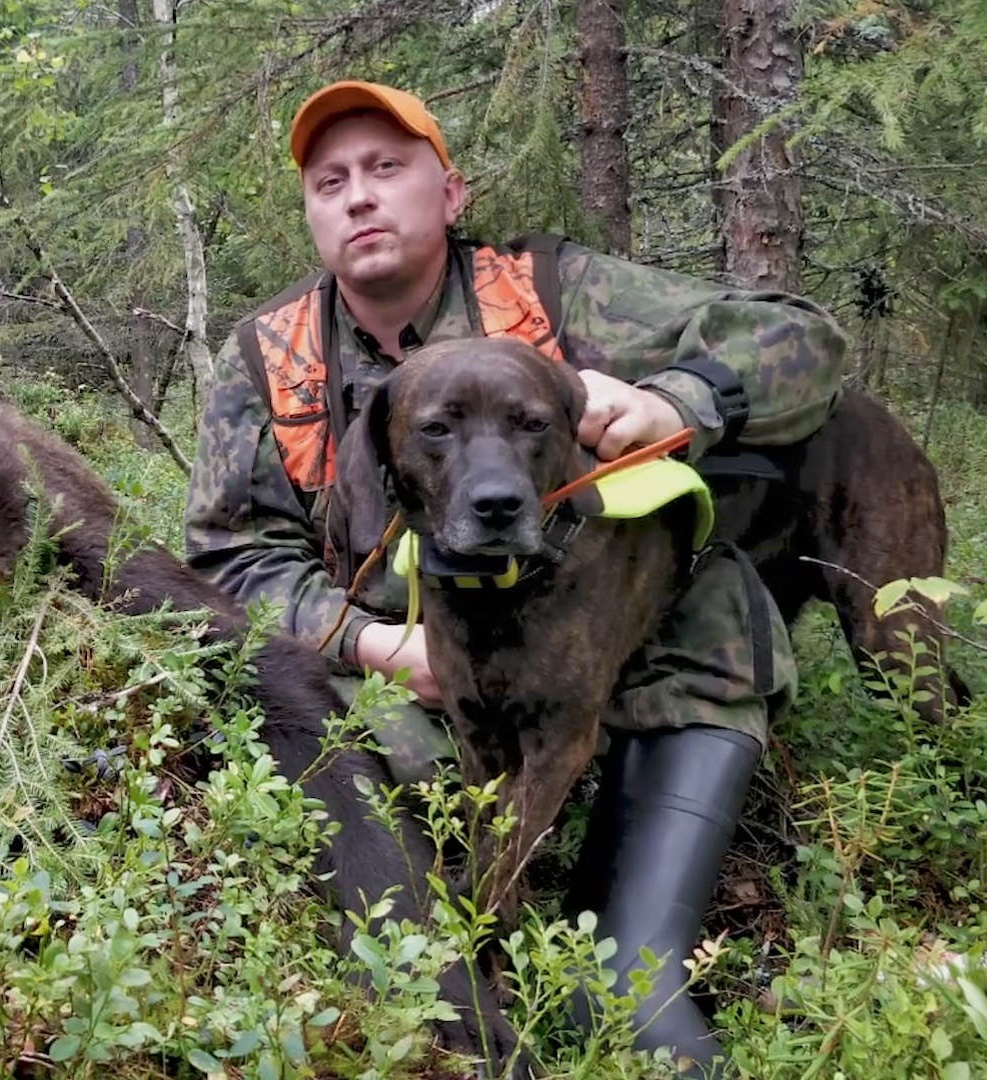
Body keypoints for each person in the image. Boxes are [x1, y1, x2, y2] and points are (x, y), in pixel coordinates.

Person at [182, 80, 851, 1075]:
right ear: (313, 216)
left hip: (664, 650)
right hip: (445, 667)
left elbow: (805, 338)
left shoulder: (556, 291)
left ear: (449, 194)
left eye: (385, 168)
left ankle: (632, 968)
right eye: (331, 182)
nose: (359, 196)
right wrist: (372, 640)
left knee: (628, 985)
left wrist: (683, 398)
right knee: (383, 831)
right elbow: (229, 559)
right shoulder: (271, 361)